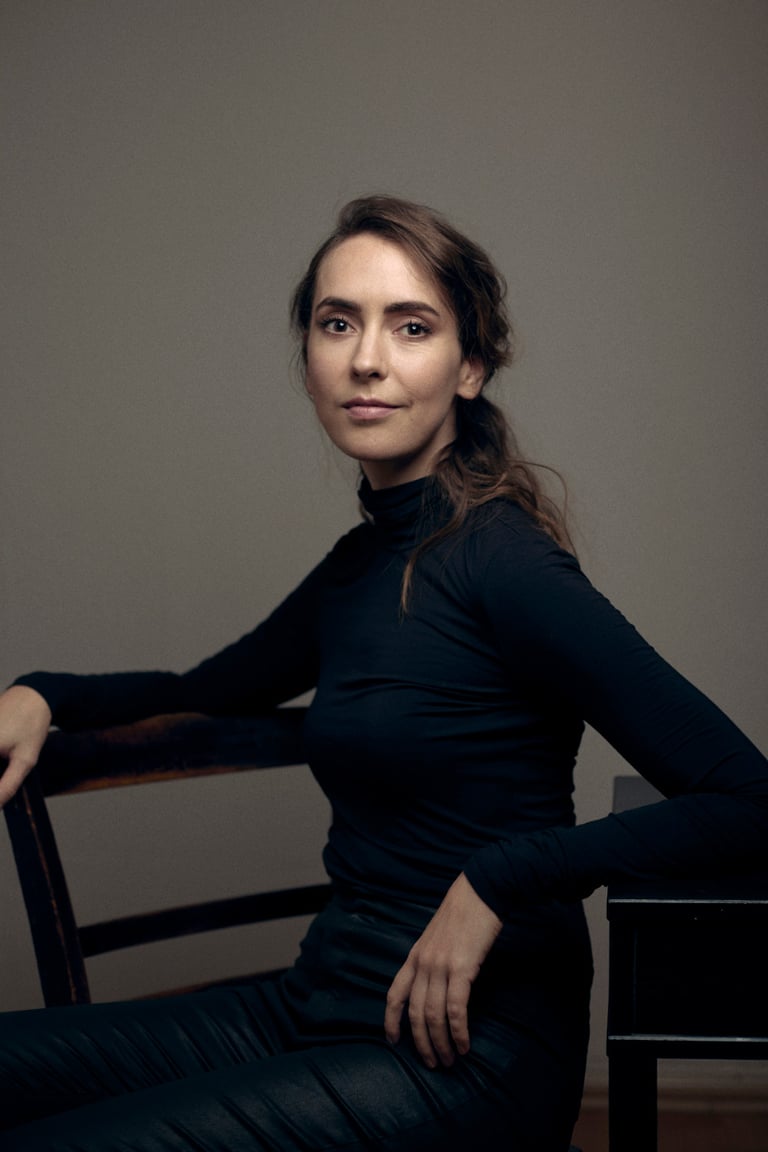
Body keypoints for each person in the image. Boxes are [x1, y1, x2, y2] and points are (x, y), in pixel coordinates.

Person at [0, 195, 766, 1152]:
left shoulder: (505, 561)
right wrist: (44, 691)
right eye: (338, 324)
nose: (367, 359)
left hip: (468, 1049)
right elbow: (206, 689)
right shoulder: (357, 568)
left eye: (411, 327)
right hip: (315, 1003)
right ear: (309, 361)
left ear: (470, 366)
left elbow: (750, 798)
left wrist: (500, 878)